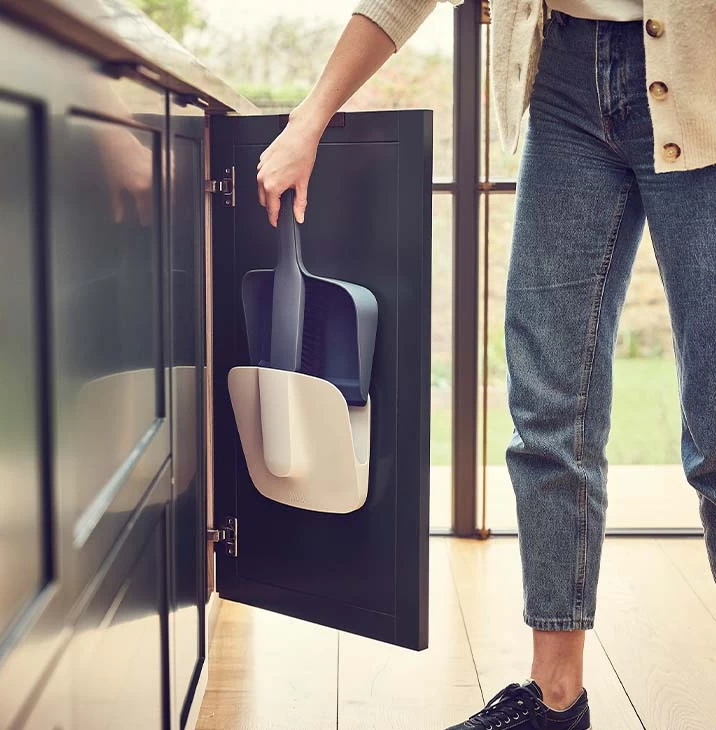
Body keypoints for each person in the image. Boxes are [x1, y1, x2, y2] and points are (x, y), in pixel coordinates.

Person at [255, 0, 716, 727]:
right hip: (565, 76)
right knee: (547, 410)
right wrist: (312, 114)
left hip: (704, 69)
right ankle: (555, 701)